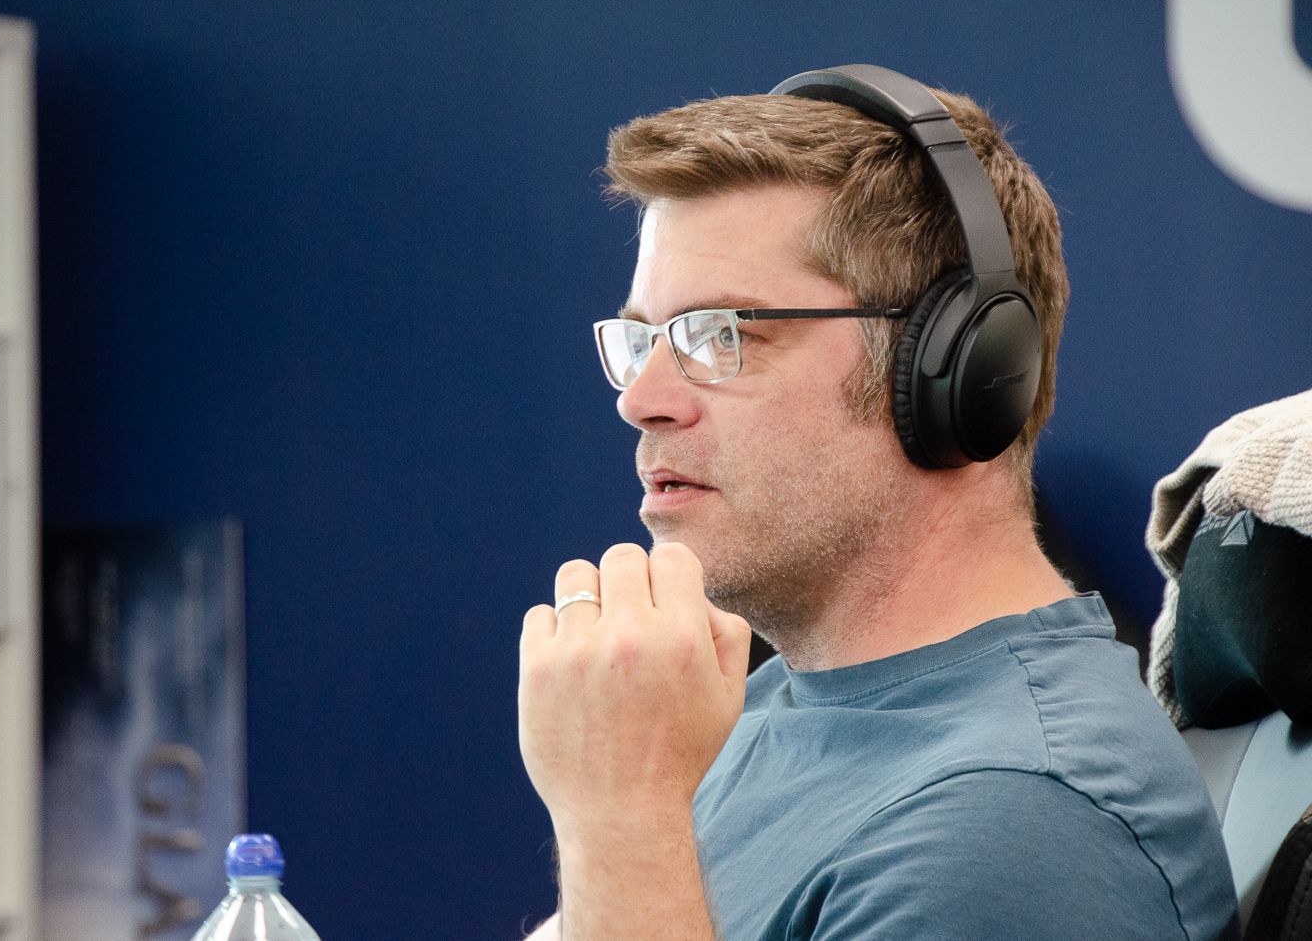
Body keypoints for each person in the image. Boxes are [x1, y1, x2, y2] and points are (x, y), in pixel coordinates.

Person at [516, 67, 1238, 940]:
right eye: (642, 341)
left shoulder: (1013, 829)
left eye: (724, 335)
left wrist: (620, 817)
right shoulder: (773, 705)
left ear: (955, 375)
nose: (643, 399)